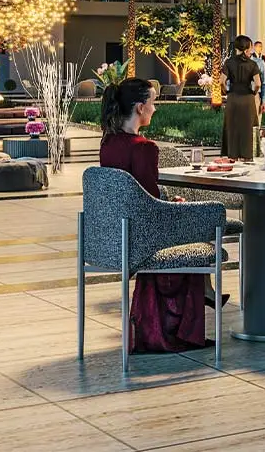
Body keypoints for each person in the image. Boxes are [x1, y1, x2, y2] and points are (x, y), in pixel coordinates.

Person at [98, 78, 212, 353]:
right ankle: (194, 310)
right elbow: (150, 204)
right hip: (144, 237)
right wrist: (173, 203)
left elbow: (134, 195)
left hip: (116, 235)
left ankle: (204, 292)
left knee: (189, 217)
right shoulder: (144, 147)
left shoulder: (109, 143)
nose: (155, 109)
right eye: (153, 103)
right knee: (202, 221)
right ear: (140, 108)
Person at [220, 35, 261, 159]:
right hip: (247, 99)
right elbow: (258, 84)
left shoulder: (229, 62)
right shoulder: (252, 64)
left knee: (232, 128)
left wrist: (226, 91)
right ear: (247, 47)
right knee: (249, 129)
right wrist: (253, 92)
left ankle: (232, 156)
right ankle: (248, 155)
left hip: (233, 98)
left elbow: (221, 81)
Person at [252, 41, 265, 116]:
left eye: (261, 47)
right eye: (259, 46)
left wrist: (264, 101)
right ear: (253, 47)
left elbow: (264, 83)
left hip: (256, 92)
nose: (260, 48)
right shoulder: (252, 58)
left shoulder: (262, 59)